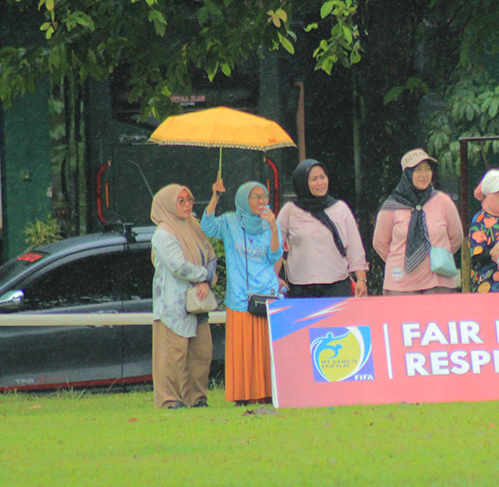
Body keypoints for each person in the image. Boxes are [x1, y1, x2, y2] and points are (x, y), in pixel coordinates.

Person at [202, 179, 283, 405]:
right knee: (244, 349)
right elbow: (206, 226)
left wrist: (274, 228)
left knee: (266, 348)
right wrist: (215, 197)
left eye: (264, 196)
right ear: (243, 199)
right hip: (240, 297)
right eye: (255, 197)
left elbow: (274, 256)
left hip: (266, 293)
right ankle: (244, 394)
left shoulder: (269, 223)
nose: (261, 201)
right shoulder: (230, 222)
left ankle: (268, 393)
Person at [150, 184, 218, 410]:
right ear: (169, 204)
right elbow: (178, 266)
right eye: (181, 201)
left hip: (198, 302)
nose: (188, 204)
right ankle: (171, 400)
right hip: (173, 304)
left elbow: (210, 253)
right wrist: (204, 276)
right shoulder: (163, 233)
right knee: (173, 355)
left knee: (201, 354)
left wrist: (206, 277)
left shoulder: (194, 227)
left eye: (189, 199)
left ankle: (197, 399)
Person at [373, 149, 464, 295]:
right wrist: (400, 261)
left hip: (438, 280)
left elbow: (456, 237)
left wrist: (436, 258)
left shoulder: (443, 201)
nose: (424, 175)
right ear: (407, 174)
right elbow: (380, 243)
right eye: (418, 170)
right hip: (401, 284)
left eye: (428, 169)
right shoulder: (391, 206)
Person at [276, 159, 368, 298]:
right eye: (314, 179)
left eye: (322, 177)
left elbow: (355, 247)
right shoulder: (289, 211)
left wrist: (361, 279)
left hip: (337, 286)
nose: (320, 183)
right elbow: (276, 248)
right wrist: (274, 277)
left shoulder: (340, 209)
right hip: (301, 288)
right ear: (302, 182)